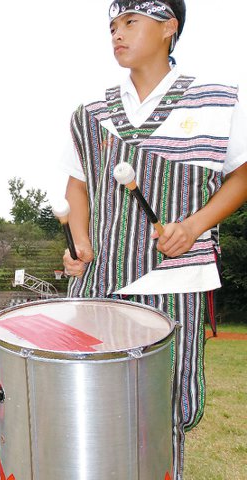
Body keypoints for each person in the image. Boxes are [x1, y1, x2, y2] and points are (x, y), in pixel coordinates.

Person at [61, 2, 247, 478]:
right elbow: (77, 185)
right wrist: (80, 239)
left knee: (167, 407)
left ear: (169, 28)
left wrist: (195, 224)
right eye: (112, 26)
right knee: (95, 401)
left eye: (130, 23)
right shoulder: (90, 113)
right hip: (101, 281)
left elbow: (241, 174)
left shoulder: (219, 99)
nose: (117, 34)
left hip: (176, 279)